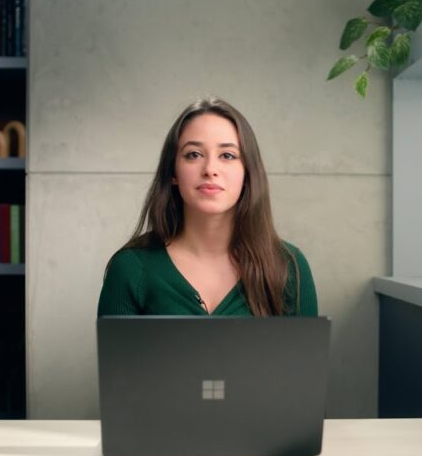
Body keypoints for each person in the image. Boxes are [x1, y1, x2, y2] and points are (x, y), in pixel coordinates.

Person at [97, 97, 317, 317]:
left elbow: (305, 352)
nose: (210, 169)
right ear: (173, 171)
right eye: (194, 154)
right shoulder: (130, 267)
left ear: (247, 173)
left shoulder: (288, 266)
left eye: (228, 155)